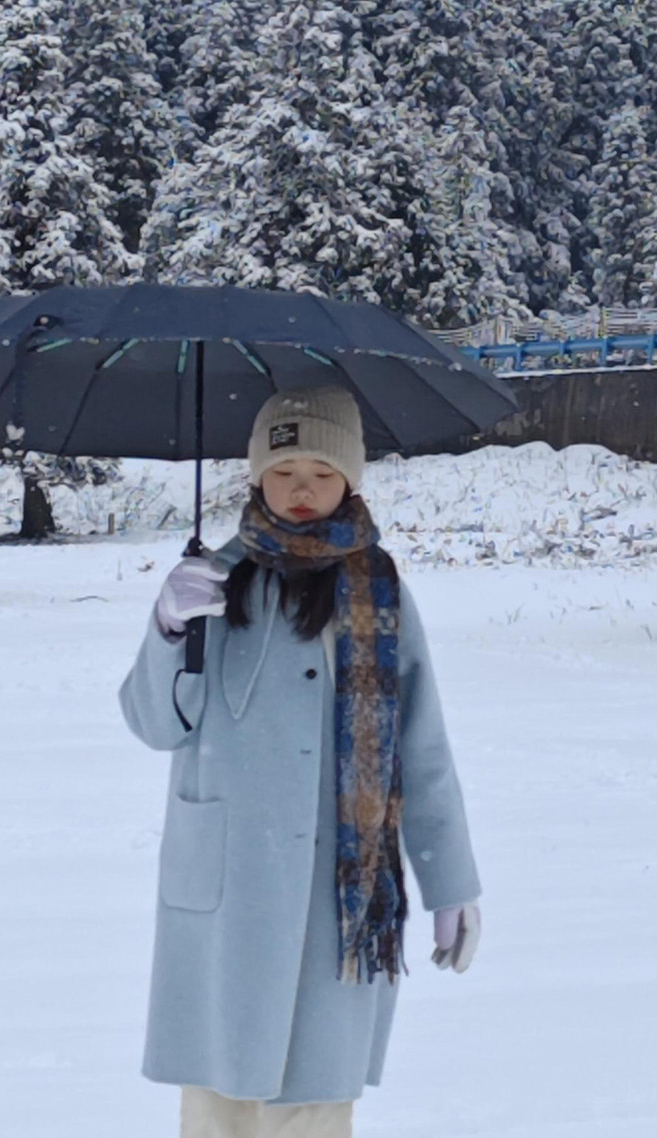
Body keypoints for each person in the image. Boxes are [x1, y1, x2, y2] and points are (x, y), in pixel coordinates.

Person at [120, 386, 482, 1138]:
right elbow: (156, 724)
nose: (302, 489)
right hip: (229, 891)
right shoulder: (213, 583)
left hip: (335, 901)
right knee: (219, 1103)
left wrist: (451, 884)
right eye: (284, 471)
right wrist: (168, 628)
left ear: (350, 478)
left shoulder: (380, 592)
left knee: (312, 1106)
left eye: (322, 471)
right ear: (257, 477)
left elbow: (422, 749)